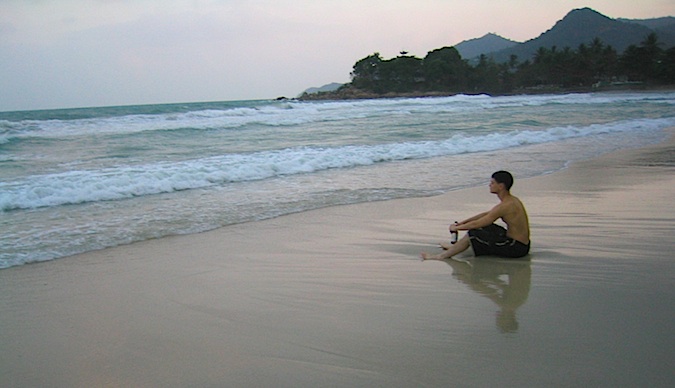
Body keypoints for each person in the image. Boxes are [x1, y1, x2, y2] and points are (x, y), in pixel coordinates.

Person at [421, 170, 530, 260]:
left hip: (515, 248)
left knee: (473, 232)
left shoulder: (505, 205)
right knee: (486, 227)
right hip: (521, 244)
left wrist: (457, 228)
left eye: (492, 183)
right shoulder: (511, 201)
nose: (489, 185)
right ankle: (455, 247)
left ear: (501, 186)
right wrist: (462, 222)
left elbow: (476, 224)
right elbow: (486, 214)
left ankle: (440, 256)